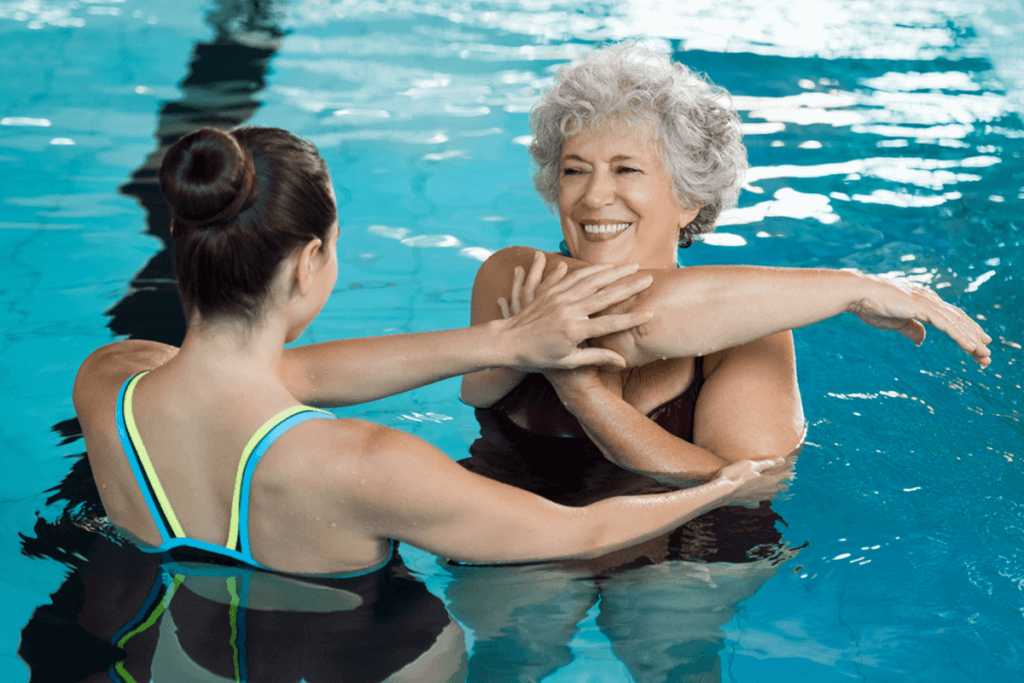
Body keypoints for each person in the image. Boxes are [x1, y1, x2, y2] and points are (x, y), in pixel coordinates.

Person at [452, 43, 992, 681]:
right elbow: (632, 315)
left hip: (691, 539)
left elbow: (754, 481)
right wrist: (849, 286)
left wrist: (587, 399)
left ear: (687, 201)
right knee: (516, 648)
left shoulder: (755, 330)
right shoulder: (515, 277)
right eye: (575, 170)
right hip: (527, 513)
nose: (595, 197)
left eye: (626, 170)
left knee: (668, 648)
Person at [73, 125, 783, 580]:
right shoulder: (368, 466)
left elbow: (269, 376)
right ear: (308, 263)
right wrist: (725, 482)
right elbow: (586, 531)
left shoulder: (109, 382)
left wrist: (502, 343)